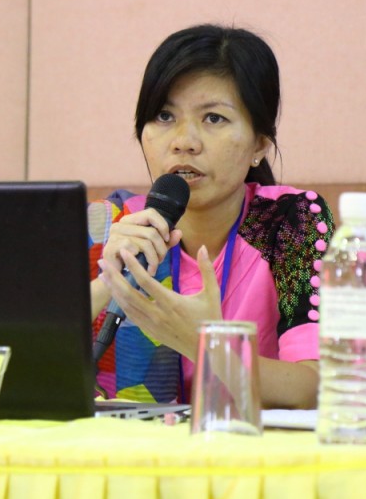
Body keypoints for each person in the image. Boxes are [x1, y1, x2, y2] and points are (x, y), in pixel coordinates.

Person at [88, 24, 334, 409]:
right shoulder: (110, 225)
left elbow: (313, 389)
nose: (184, 141)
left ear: (259, 144)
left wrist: (202, 343)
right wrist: (109, 281)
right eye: (164, 116)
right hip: (132, 443)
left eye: (214, 118)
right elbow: (24, 365)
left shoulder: (287, 224)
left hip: (249, 441)